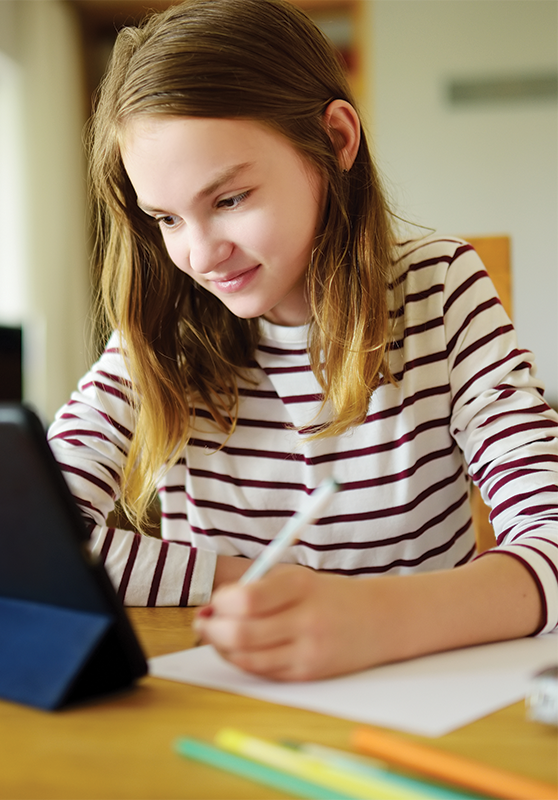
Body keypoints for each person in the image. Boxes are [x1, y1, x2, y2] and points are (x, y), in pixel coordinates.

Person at [48, 0, 558, 681]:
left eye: (229, 200)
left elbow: (549, 537)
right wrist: (247, 582)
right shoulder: (160, 328)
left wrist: (373, 617)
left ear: (338, 140)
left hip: (424, 698)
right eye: (167, 218)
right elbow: (33, 537)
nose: (200, 255)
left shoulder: (439, 287)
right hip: (232, 698)